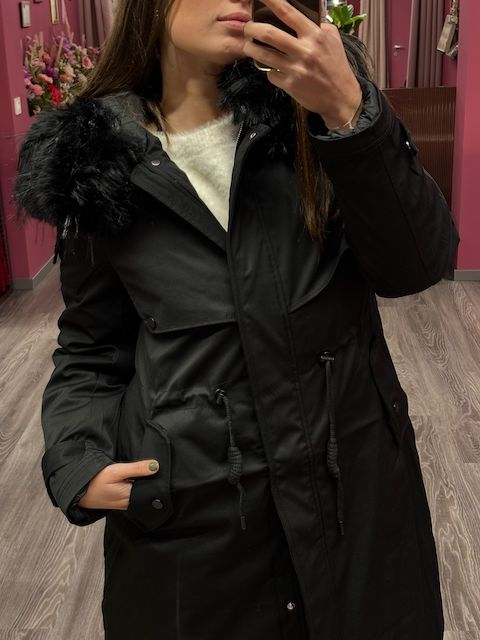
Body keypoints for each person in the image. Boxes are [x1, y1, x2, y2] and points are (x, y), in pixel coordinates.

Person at [13, 0, 460, 638]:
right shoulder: (95, 159)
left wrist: (350, 113)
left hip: (353, 502)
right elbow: (91, 343)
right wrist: (77, 456)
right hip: (193, 525)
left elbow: (417, 265)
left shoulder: (309, 118)